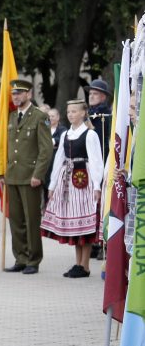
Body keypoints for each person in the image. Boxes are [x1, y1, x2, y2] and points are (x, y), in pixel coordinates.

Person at [40, 100, 104, 278]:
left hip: (85, 181)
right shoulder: (67, 134)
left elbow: (97, 161)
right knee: (74, 224)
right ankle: (78, 263)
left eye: (74, 111)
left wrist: (97, 186)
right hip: (68, 181)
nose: (70, 114)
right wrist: (52, 186)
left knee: (86, 223)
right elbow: (59, 159)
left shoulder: (90, 135)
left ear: (83, 113)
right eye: (68, 111)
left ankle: (85, 265)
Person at [0, 78, 54, 274]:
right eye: (13, 94)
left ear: (29, 94)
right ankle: (20, 257)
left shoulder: (39, 116)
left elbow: (46, 150)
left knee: (31, 220)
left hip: (30, 177)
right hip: (13, 175)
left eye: (19, 93)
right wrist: (2, 171)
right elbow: (5, 147)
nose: (15, 96)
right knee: (16, 220)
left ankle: (33, 260)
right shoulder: (11, 117)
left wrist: (38, 174)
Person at [85, 79, 112, 163]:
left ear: (103, 97)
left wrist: (91, 127)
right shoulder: (88, 113)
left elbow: (102, 139)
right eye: (90, 94)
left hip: (100, 157)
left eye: (95, 94)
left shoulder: (106, 114)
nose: (91, 96)